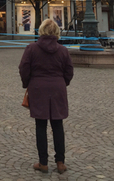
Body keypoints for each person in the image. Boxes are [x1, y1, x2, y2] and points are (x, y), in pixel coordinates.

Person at [19, 19, 74, 174]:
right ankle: (60, 162)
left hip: (38, 88)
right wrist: (63, 83)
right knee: (58, 125)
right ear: (57, 32)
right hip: (58, 88)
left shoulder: (32, 48)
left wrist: (27, 83)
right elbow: (69, 70)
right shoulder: (63, 50)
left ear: (41, 31)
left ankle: (43, 162)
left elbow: (24, 68)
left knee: (40, 125)